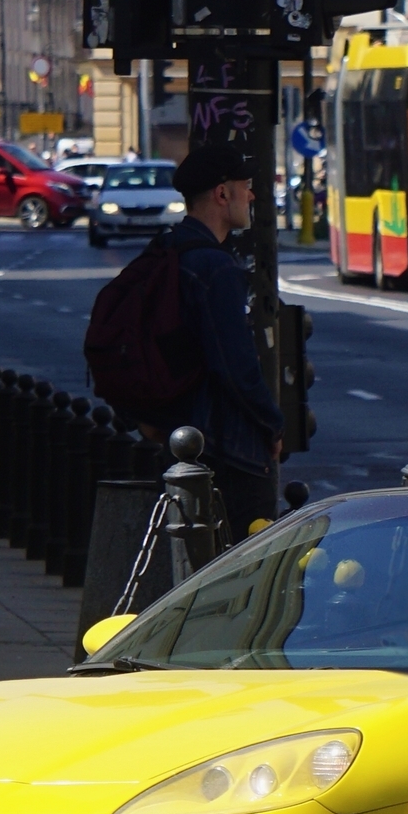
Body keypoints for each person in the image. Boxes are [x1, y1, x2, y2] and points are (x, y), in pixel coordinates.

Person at [167, 143, 283, 538]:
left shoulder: (169, 249)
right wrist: (272, 425)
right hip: (225, 448)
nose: (251, 195)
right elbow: (235, 367)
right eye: (245, 186)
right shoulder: (215, 268)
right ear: (222, 194)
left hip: (180, 436)